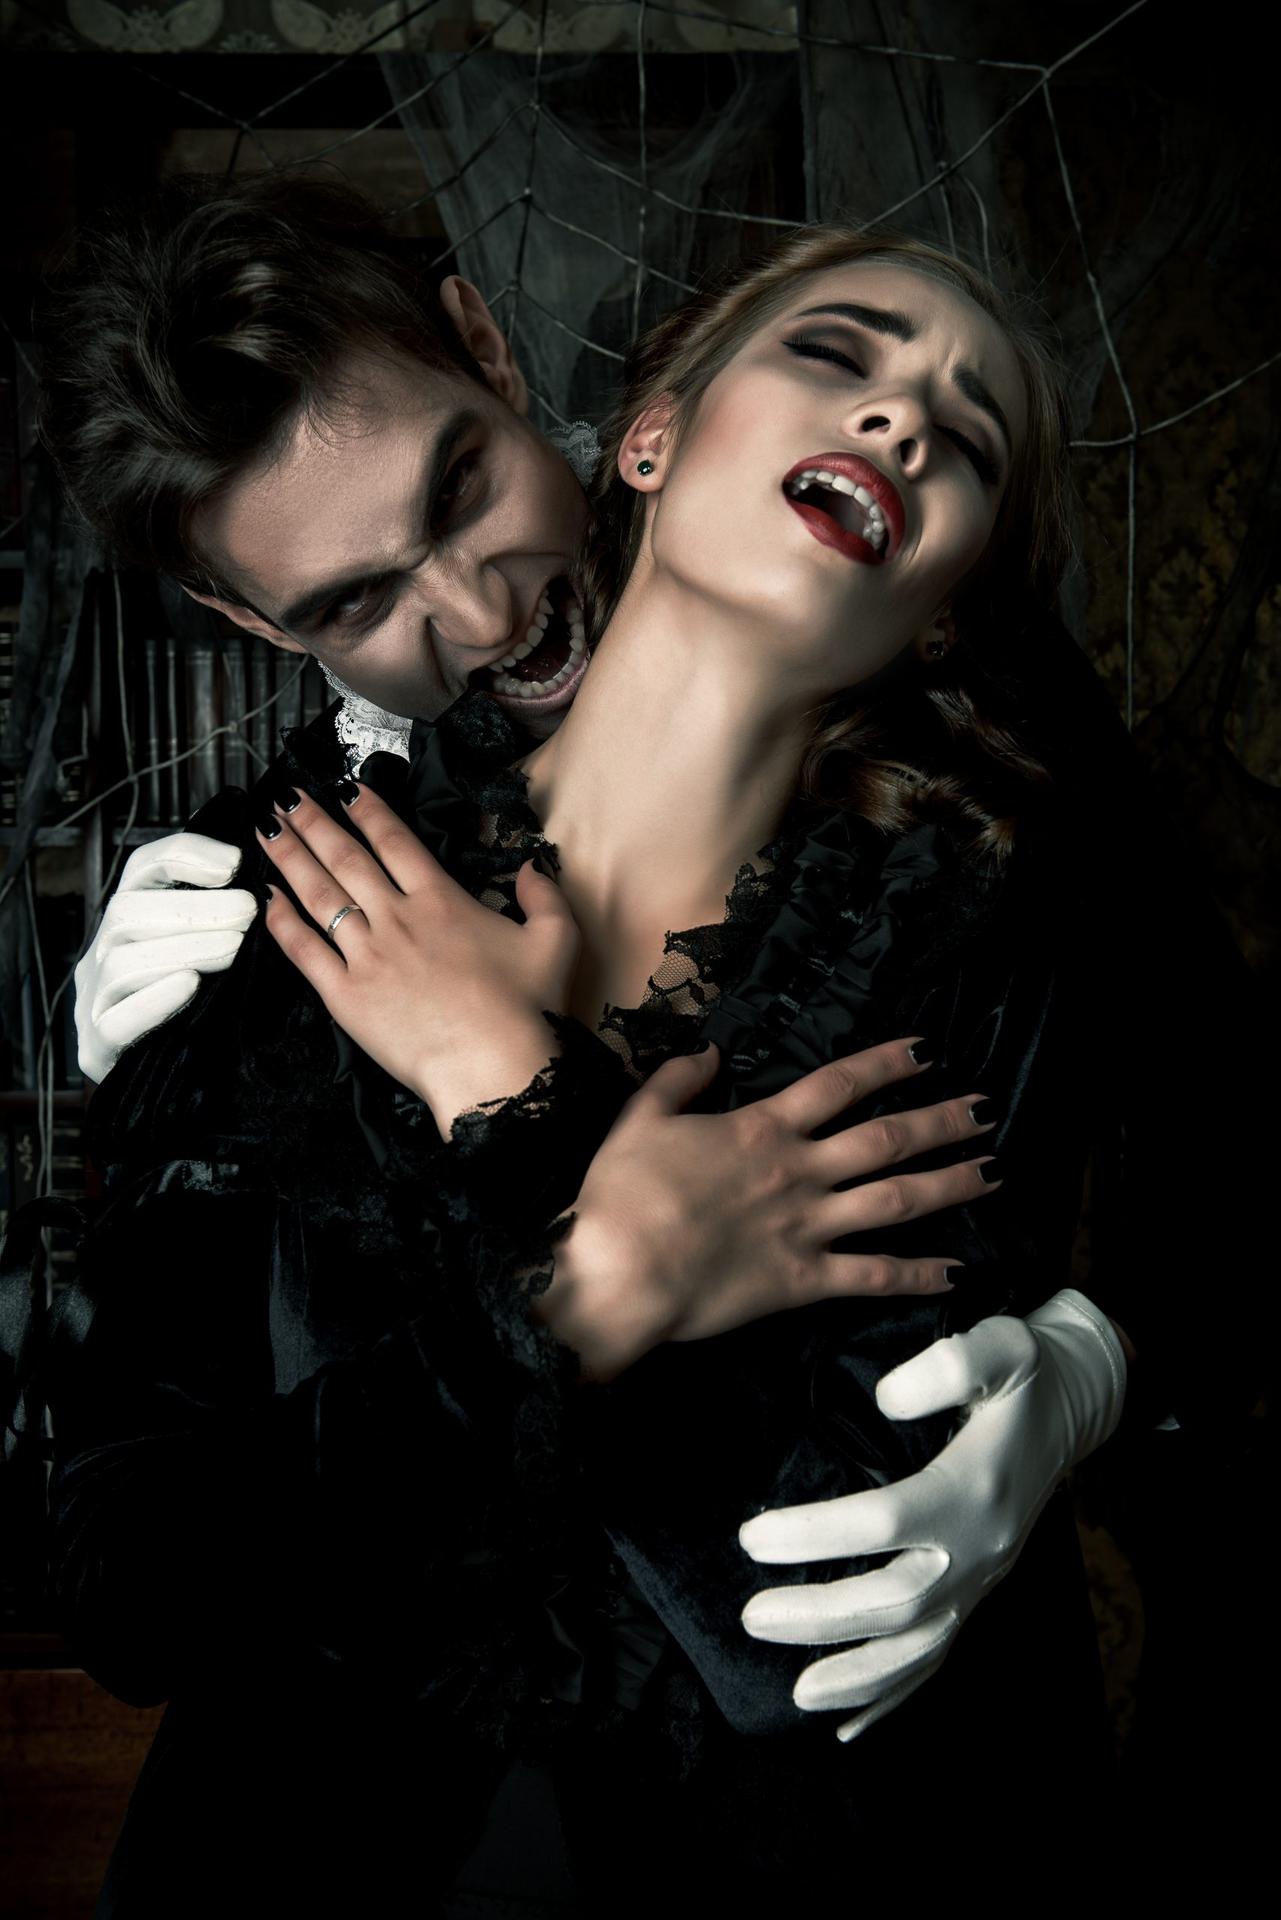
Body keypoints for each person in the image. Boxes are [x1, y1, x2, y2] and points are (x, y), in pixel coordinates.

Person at [19, 177, 1264, 1905]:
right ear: (255, 627)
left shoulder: (976, 865)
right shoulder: (260, 912)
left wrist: (1092, 1367)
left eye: (464, 489)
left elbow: (1218, 1144)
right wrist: (562, 1281)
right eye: (356, 603)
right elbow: (132, 1574)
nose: (481, 619)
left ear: (495, 353)